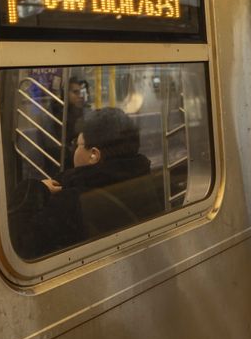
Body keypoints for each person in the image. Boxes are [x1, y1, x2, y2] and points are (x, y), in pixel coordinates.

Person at [8, 108, 152, 260]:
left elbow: (19, 248)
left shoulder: (73, 201)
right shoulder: (143, 181)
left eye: (77, 144)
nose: (74, 150)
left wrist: (33, 191)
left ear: (93, 155)